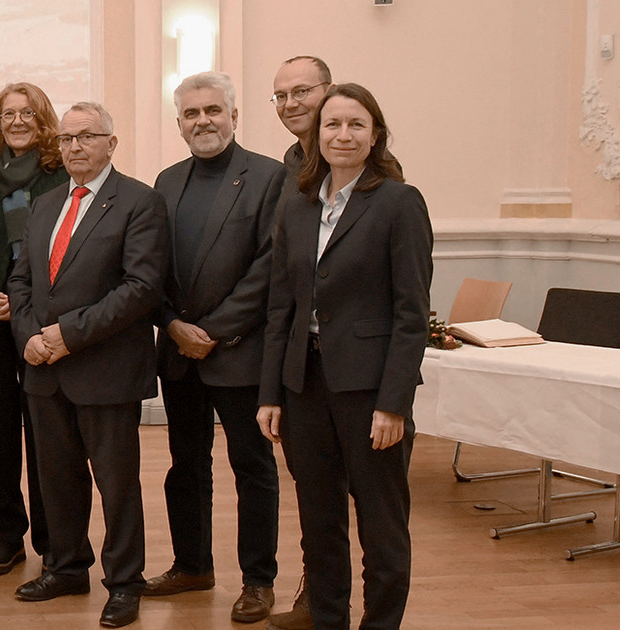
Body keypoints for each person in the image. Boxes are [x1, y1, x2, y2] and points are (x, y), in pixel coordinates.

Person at [256, 83, 429, 630]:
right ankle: (327, 619)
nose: (343, 135)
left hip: (369, 393)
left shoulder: (400, 202)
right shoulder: (299, 204)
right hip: (304, 386)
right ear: (317, 135)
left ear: (375, 133)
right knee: (319, 520)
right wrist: (271, 394)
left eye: (356, 124)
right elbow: (281, 306)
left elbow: (411, 314)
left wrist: (393, 404)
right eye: (332, 125)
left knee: (381, 524)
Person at [7, 101, 169, 629]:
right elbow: (21, 280)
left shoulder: (139, 203)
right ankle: (67, 566)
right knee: (56, 479)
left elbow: (141, 288)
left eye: (87, 137)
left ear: (110, 144)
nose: (75, 146)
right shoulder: (46, 203)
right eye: (68, 138)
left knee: (116, 485)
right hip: (44, 370)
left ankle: (124, 583)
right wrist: (29, 335)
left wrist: (68, 335)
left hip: (105, 369)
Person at [145, 71, 287, 624]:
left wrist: (215, 330)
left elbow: (270, 266)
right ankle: (192, 565)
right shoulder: (166, 180)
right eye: (190, 113)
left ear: (234, 115)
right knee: (186, 464)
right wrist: (174, 325)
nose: (202, 120)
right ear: (178, 123)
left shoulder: (270, 178)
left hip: (239, 352)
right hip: (178, 352)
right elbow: (148, 267)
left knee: (252, 467)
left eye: (212, 110)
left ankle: (258, 580)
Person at [0, 82, 67, 576]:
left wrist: (30, 303)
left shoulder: (63, 176)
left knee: (47, 430)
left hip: (45, 320)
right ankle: (7, 533)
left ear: (44, 118)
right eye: (8, 115)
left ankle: (53, 539)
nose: (18, 121)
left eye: (28, 113)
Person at [264, 54, 334, 630]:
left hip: (349, 361)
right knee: (313, 491)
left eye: (301, 91)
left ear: (329, 92)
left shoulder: (373, 173)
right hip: (297, 356)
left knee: (358, 501)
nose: (290, 103)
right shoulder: (290, 167)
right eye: (281, 95)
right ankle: (319, 600)